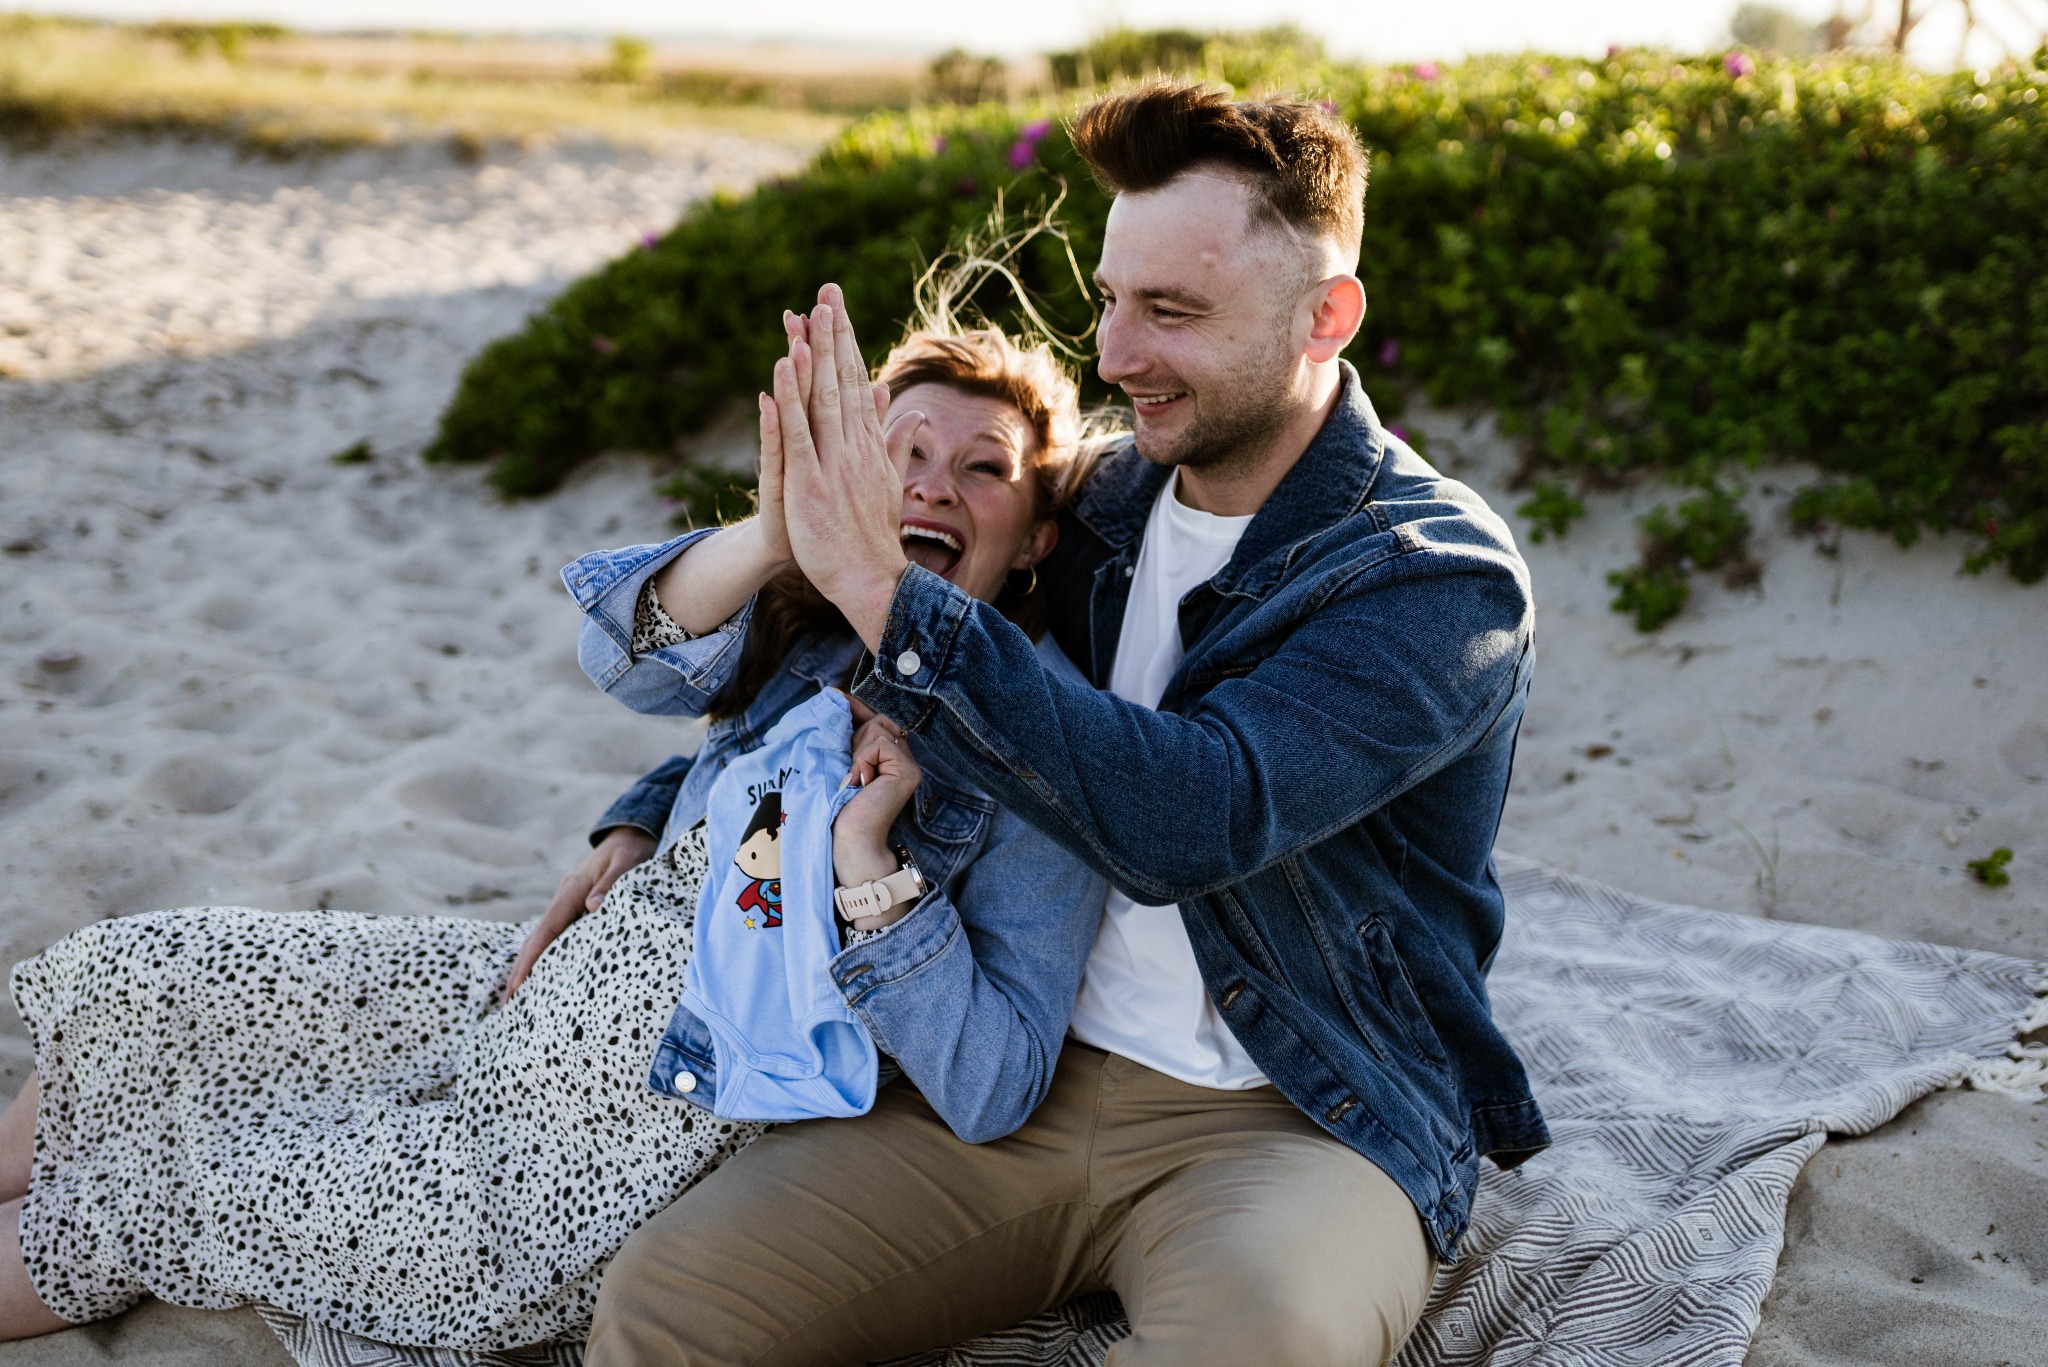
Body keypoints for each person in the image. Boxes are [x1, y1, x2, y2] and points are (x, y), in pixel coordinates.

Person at [583, 82, 1551, 1367]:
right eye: (1109, 298)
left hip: (1296, 1114)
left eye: (1173, 311)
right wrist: (652, 809)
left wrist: (881, 582)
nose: (1113, 354)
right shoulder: (1098, 503)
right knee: (673, 1306)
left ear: (1326, 317)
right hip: (1007, 1080)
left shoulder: (1432, 579)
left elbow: (1187, 815)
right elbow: (808, 669)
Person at [0, 324, 1108, 1350]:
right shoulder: (818, 635)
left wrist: (867, 862)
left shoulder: (1038, 756)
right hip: (531, 988)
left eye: (983, 467)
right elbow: (621, 652)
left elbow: (993, 1082)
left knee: (156, 1194)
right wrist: (773, 544)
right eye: (901, 452)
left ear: (1033, 540)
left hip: (571, 1160)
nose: (930, 483)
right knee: (148, 979)